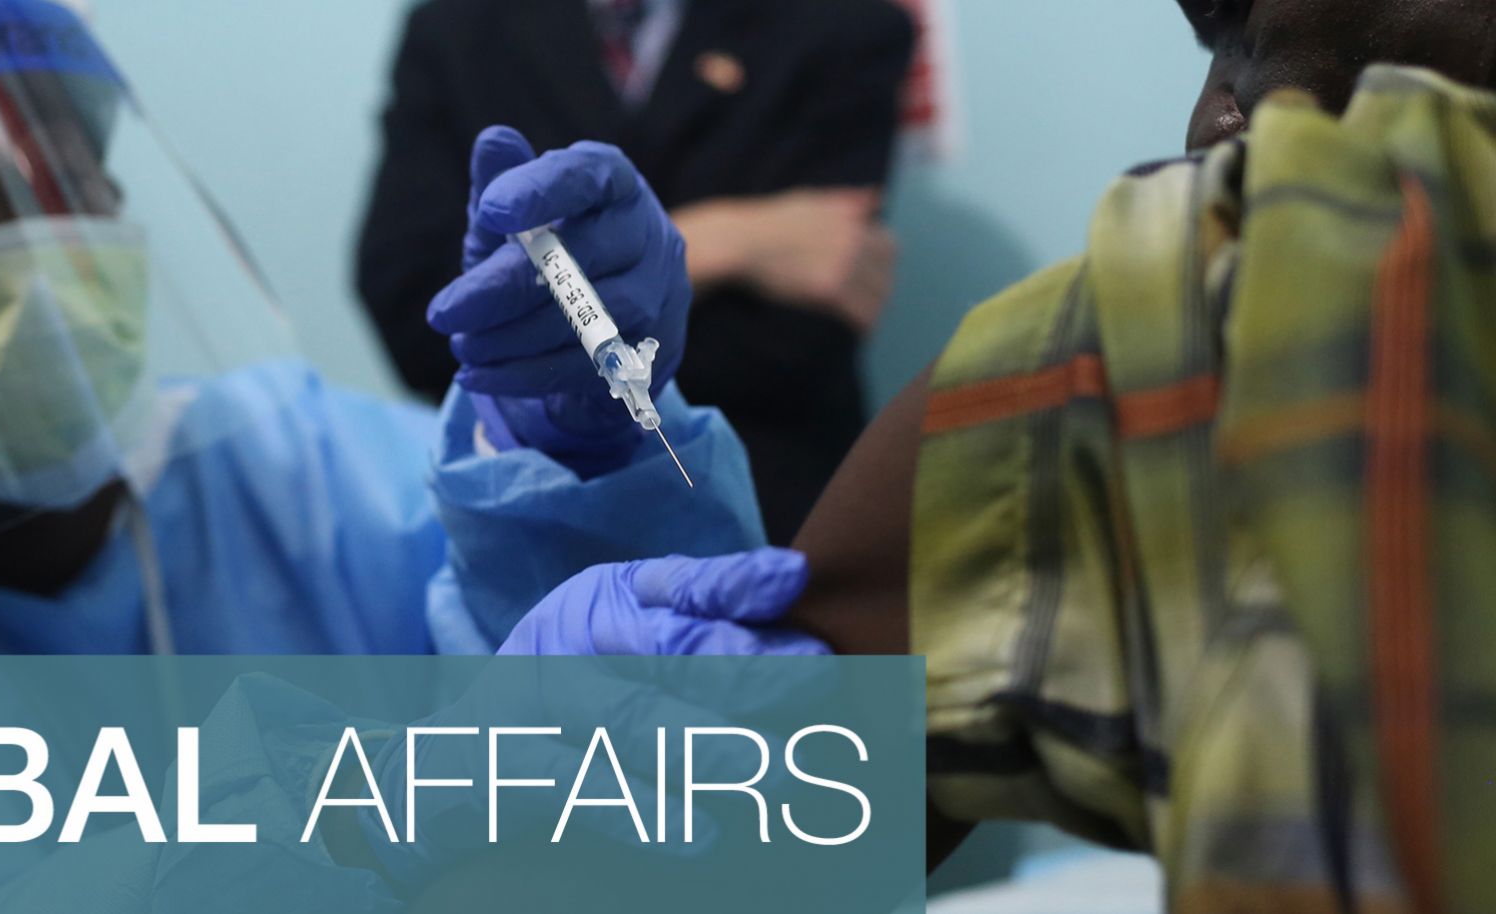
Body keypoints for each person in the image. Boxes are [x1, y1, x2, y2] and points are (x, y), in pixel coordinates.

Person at [506, 0, 1496, 910]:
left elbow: (766, 826)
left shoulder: (1160, 328)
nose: (1210, 132)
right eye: (1221, 64)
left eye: (1254, 60)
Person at [0, 0, 780, 658]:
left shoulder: (298, 469)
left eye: (56, 173)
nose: (28, 248)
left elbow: (644, 696)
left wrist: (586, 457)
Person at [357, 0, 915, 544]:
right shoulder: (454, 31)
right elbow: (418, 313)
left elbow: (795, 343)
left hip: (770, 525)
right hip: (531, 530)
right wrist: (723, 239)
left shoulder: (843, 23)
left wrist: (527, 323)